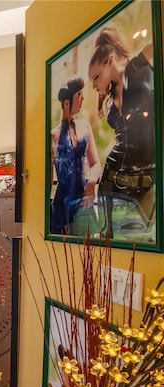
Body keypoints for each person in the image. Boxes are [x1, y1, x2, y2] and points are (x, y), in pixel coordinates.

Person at [88, 26, 155, 238]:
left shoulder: (138, 65)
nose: (95, 85)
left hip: (148, 177)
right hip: (114, 183)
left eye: (96, 77)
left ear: (109, 61)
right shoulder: (108, 100)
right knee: (117, 241)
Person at [49, 77, 102, 235]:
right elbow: (47, 177)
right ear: (66, 103)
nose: (83, 98)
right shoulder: (53, 135)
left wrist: (91, 183)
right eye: (79, 94)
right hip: (62, 201)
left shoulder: (84, 125)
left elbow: (96, 164)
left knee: (87, 250)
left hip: (83, 197)